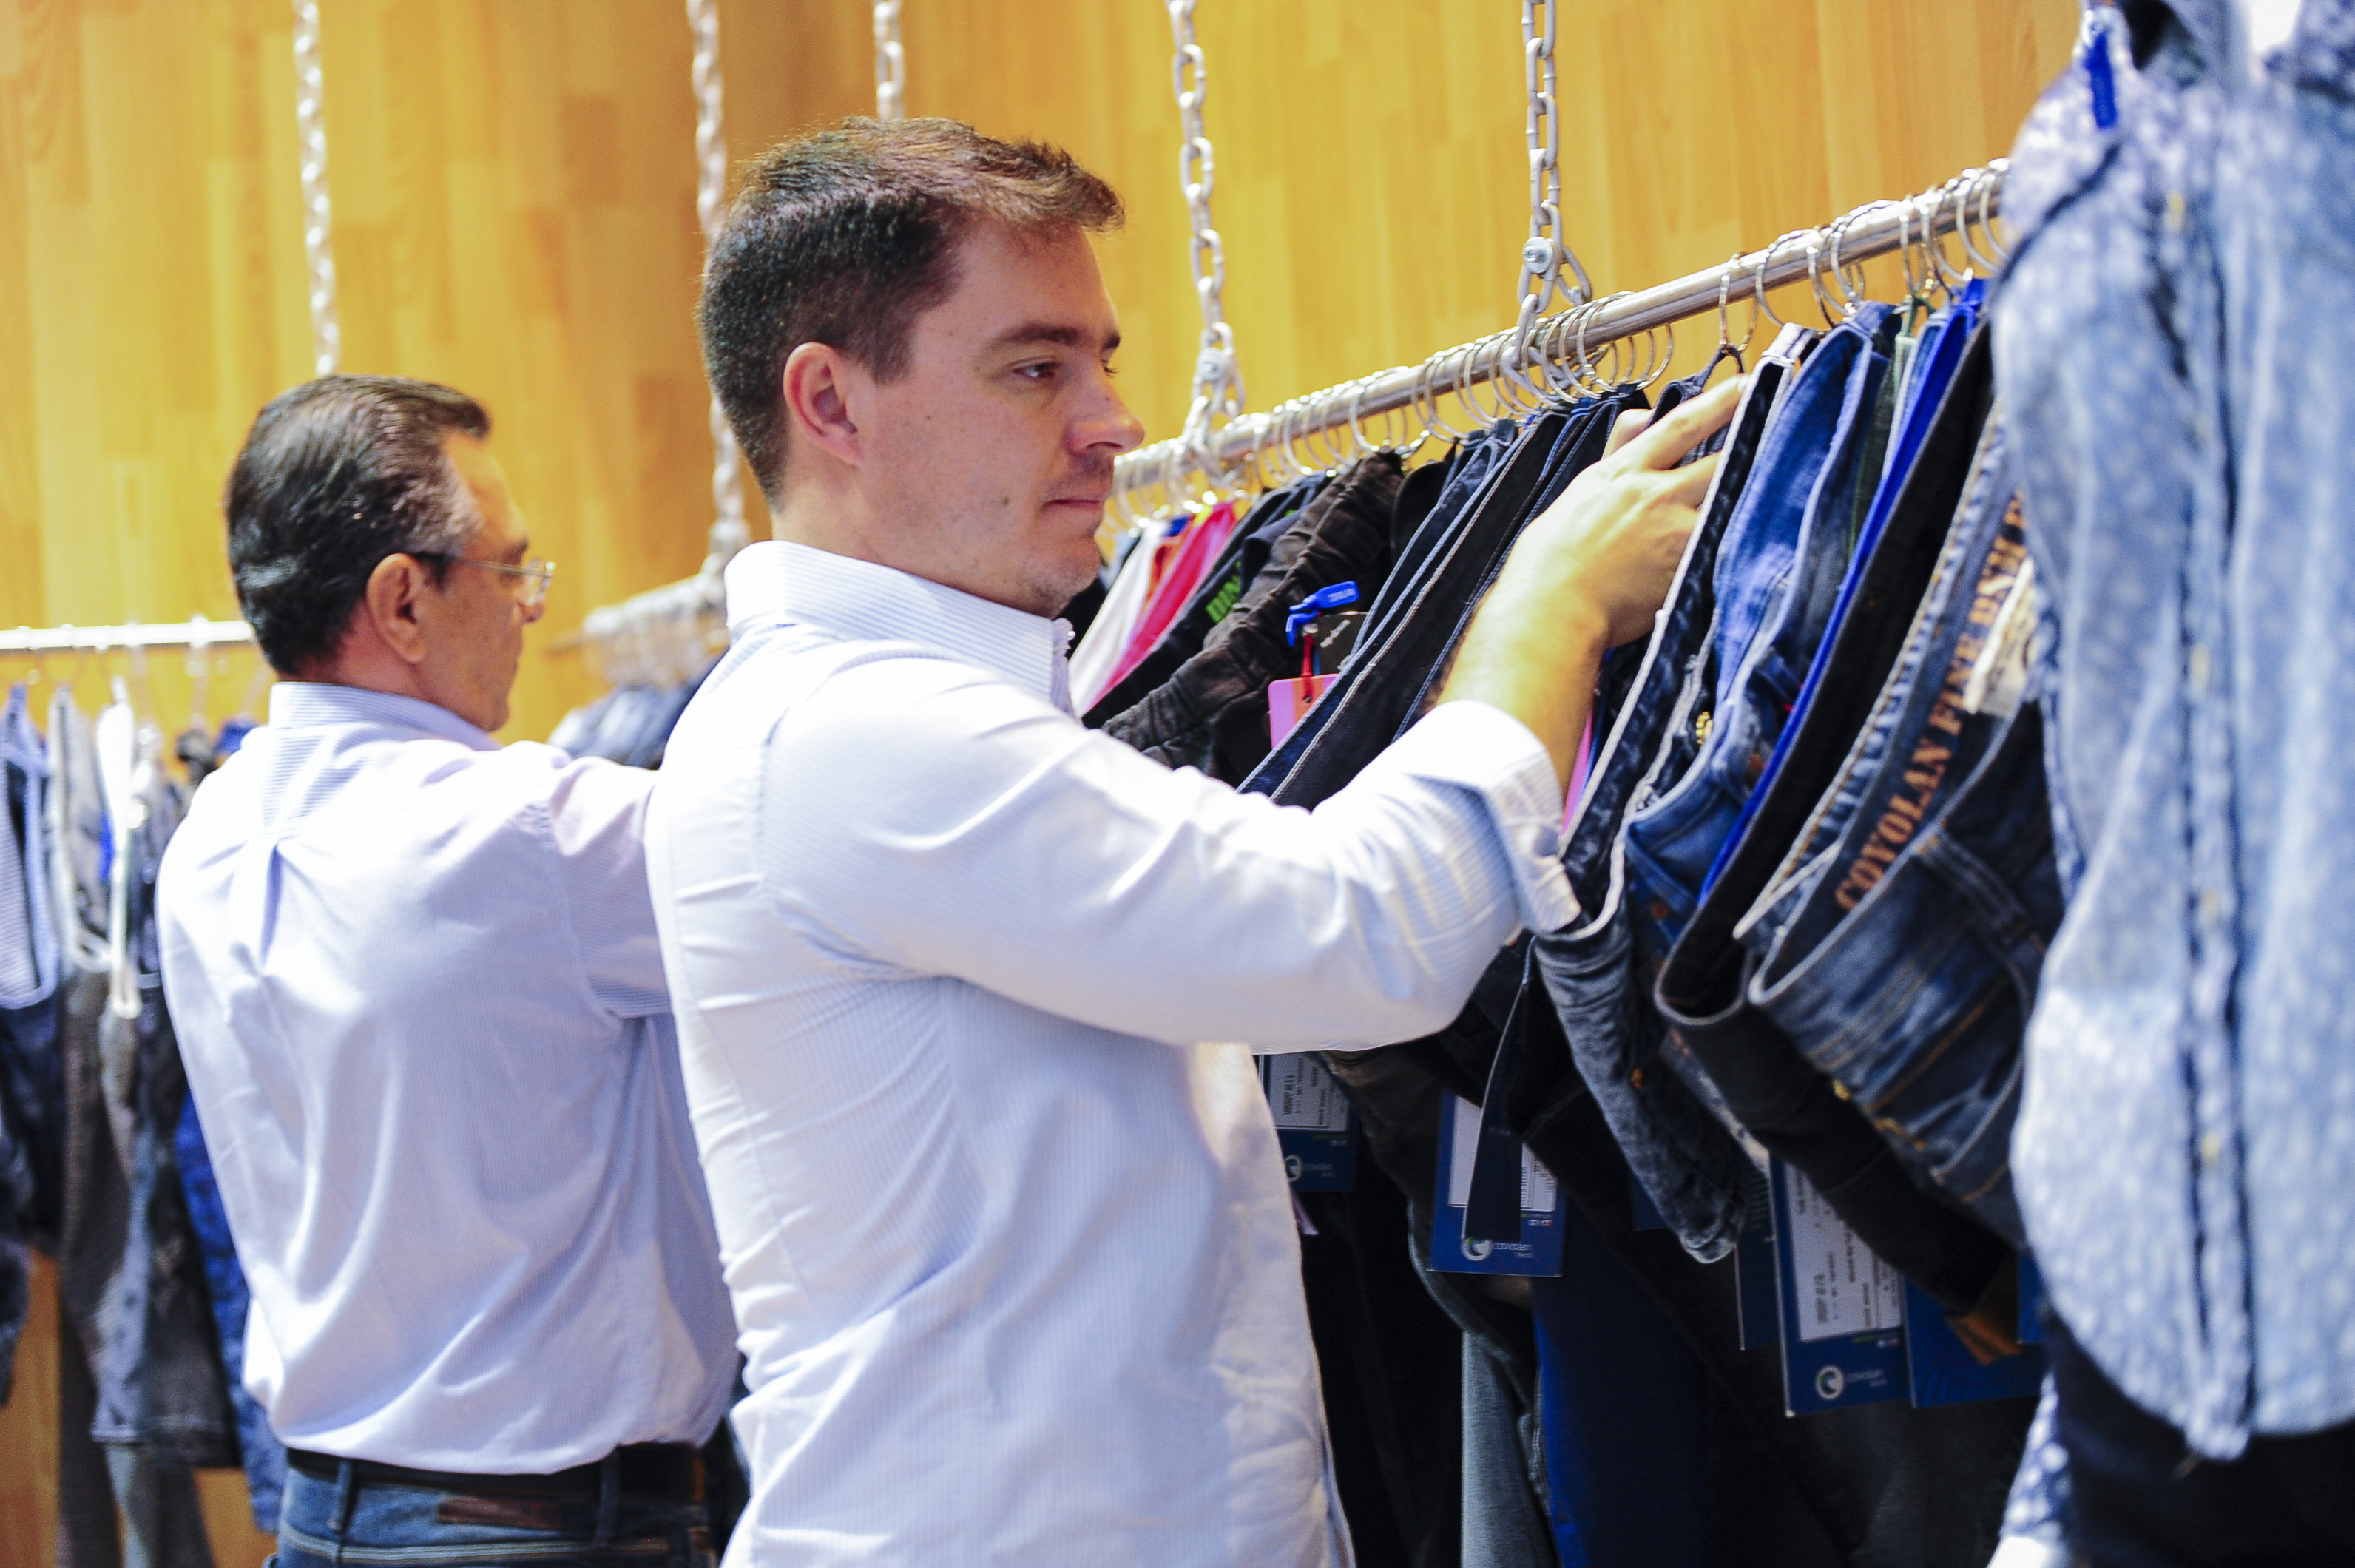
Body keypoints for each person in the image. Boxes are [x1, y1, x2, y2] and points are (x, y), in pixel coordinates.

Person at [649, 117, 1742, 1564]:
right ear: (831, 402)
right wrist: (1549, 601)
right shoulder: (862, 739)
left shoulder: (864, 722)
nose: (1112, 422)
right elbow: (1365, 935)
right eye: (1035, 368)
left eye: (1101, 362)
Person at [157, 376, 737, 1567]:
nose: (531, 605)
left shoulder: (208, 835)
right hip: (540, 1531)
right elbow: (855, 867)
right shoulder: (533, 834)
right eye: (509, 568)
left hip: (322, 1520)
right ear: (403, 601)